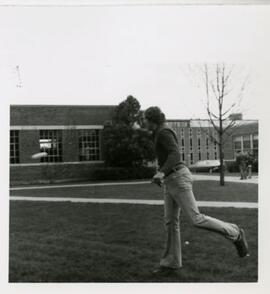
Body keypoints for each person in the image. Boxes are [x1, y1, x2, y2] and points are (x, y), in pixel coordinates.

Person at [143, 106, 249, 275]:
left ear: (152, 120)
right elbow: (162, 151)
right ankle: (171, 263)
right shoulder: (158, 132)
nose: (144, 122)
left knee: (196, 219)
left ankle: (235, 232)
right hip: (170, 180)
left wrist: (161, 171)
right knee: (170, 223)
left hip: (178, 178)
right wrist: (162, 174)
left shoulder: (164, 132)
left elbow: (175, 155)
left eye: (145, 120)